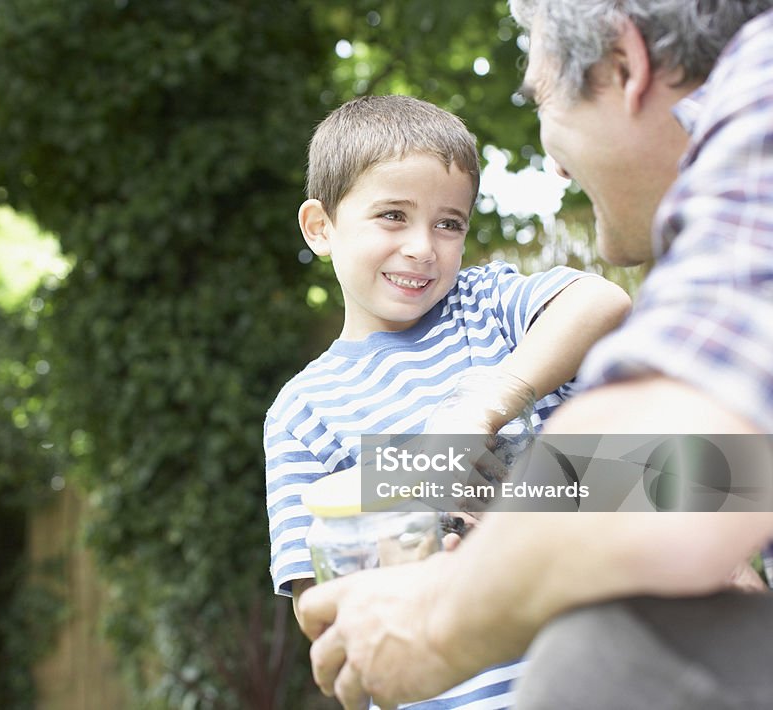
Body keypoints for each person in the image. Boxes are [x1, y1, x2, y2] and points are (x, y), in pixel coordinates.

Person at [297, 2, 773, 709]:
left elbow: (693, 445)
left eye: (541, 98)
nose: (550, 161)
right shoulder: (306, 409)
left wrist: (438, 622)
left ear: (623, 65)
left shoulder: (761, 103)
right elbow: (713, 475)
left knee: (602, 659)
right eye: (391, 215)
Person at [265, 94, 631, 708]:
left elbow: (600, 303)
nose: (422, 247)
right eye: (391, 216)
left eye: (448, 222)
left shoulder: (484, 305)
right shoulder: (302, 411)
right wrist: (423, 524)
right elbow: (319, 611)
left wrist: (487, 405)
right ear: (320, 227)